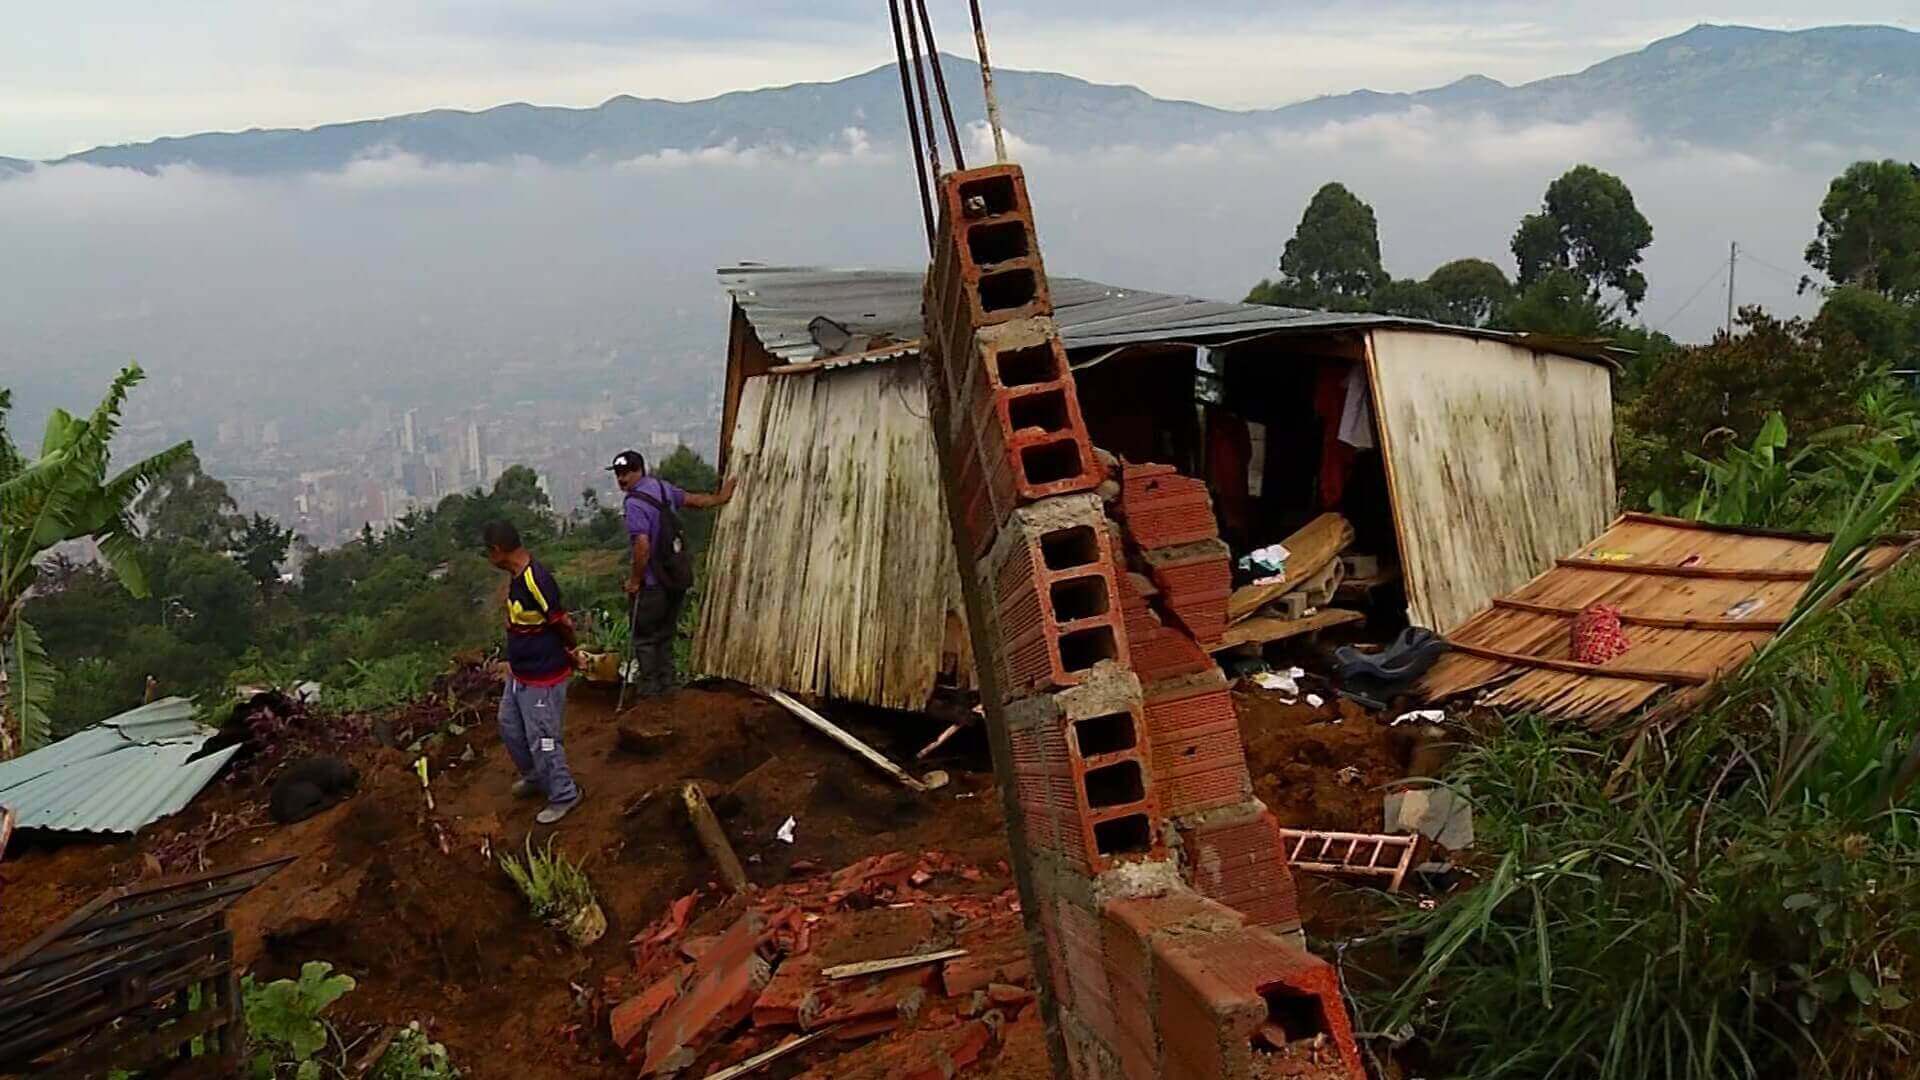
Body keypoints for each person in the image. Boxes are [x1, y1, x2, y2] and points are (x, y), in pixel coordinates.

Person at [607, 450, 738, 696]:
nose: (622, 479)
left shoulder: (634, 503)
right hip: (674, 578)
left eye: (626, 473)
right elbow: (693, 501)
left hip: (652, 584)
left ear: (639, 471)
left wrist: (635, 581)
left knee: (646, 639)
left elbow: (642, 546)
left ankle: (650, 694)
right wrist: (720, 498)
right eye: (618, 474)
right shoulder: (662, 489)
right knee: (666, 634)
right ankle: (669, 688)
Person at [483, 519, 582, 824]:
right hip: (521, 673)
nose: (489, 559)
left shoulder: (535, 580)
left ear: (498, 551)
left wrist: (571, 652)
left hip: (543, 675)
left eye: (489, 553)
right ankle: (537, 776)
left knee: (544, 736)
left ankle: (564, 792)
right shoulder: (517, 577)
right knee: (510, 725)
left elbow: (562, 622)